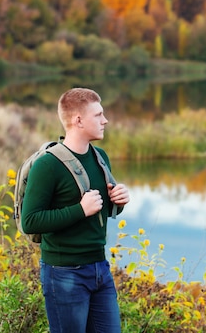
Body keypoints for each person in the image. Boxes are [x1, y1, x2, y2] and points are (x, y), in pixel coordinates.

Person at [21, 87, 130, 333]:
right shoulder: (47, 165)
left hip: (99, 268)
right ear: (78, 120)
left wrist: (118, 202)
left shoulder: (100, 157)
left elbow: (101, 209)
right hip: (64, 273)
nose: (105, 120)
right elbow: (30, 221)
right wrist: (80, 210)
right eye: (98, 115)